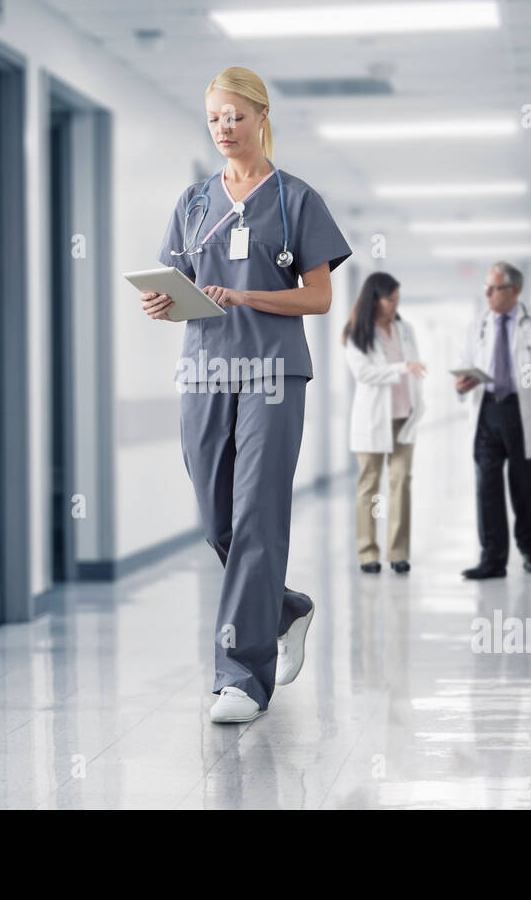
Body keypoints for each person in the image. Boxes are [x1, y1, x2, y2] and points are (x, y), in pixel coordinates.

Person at [139, 67, 352, 723]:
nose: (224, 129)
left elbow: (318, 296)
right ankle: (285, 608)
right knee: (217, 519)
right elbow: (183, 286)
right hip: (206, 369)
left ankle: (241, 678)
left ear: (261, 116)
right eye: (214, 119)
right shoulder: (194, 203)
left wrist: (247, 296)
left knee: (258, 514)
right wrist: (163, 303)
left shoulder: (296, 200)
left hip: (274, 373)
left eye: (235, 115)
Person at [454, 262, 531, 579]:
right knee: (487, 487)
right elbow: (464, 364)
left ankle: (529, 547)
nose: (488, 294)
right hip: (487, 410)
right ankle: (492, 559)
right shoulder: (478, 326)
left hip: (525, 413)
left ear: (515, 290)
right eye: (486, 288)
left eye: (495, 288)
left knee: (530, 486)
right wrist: (461, 384)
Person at [342, 272, 426, 575]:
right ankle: (367, 553)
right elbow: (365, 374)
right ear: (374, 299)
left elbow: (414, 369)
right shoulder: (356, 333)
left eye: (397, 299)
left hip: (405, 418)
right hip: (373, 421)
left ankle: (399, 553)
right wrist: (402, 367)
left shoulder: (405, 330)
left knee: (401, 483)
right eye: (390, 299)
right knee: (370, 487)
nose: (395, 305)